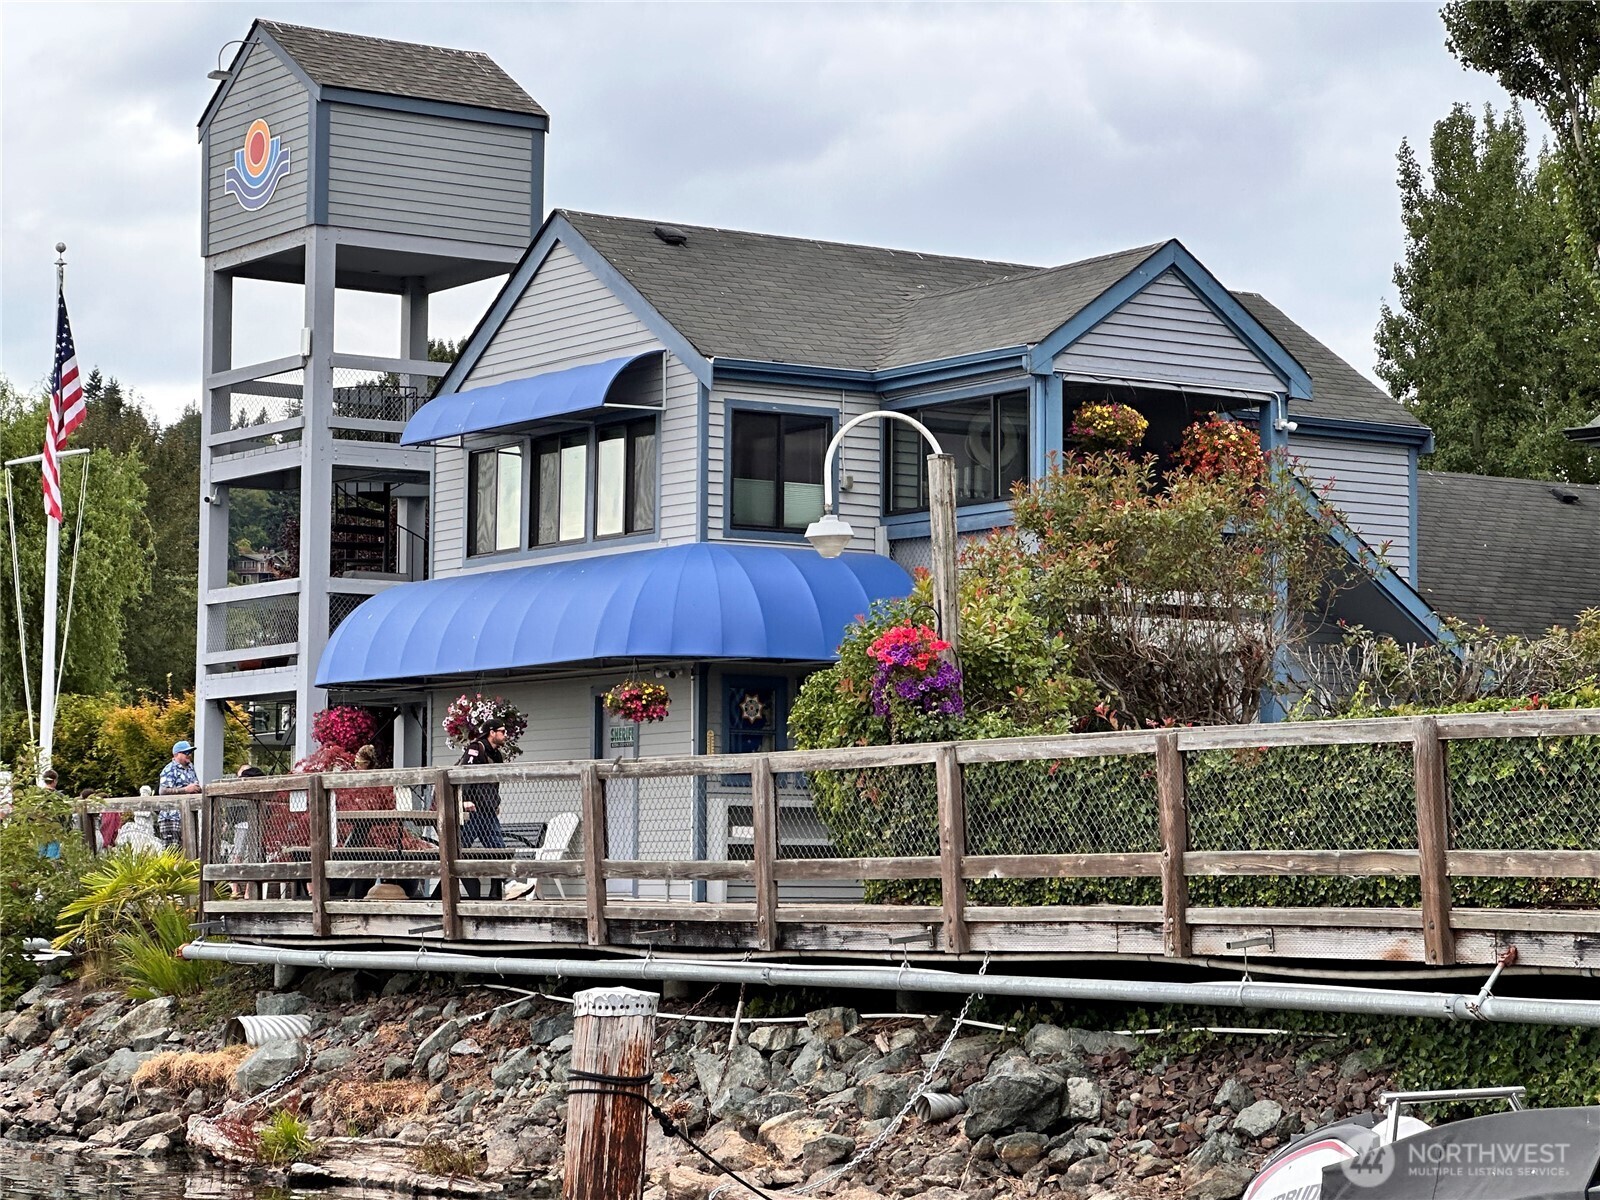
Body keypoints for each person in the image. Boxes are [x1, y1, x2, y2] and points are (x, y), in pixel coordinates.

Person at [458, 718, 508, 899]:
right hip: (473, 810)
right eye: (502, 731)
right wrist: (464, 801)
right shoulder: (475, 748)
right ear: (492, 732)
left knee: (499, 850)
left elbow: (494, 783)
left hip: (487, 810)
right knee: (459, 849)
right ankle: (443, 892)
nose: (505, 735)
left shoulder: (497, 755)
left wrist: (496, 803)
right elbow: (465, 774)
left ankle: (496, 894)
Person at [157, 739, 201, 849]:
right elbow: (163, 791)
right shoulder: (169, 769)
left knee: (190, 850)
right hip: (171, 817)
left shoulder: (191, 768)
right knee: (172, 852)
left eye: (190, 752)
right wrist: (186, 790)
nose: (189, 755)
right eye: (186, 753)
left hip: (188, 815)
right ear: (177, 754)